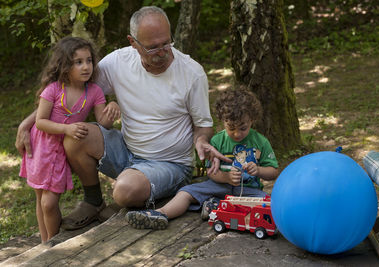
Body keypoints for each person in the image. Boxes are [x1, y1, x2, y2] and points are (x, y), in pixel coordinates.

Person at [15, 6, 229, 231]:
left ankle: (146, 186)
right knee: (76, 136)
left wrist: (202, 141)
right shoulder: (118, 62)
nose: (163, 51)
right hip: (126, 151)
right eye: (153, 47)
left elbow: (203, 126)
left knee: (124, 191)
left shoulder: (192, 73)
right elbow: (72, 92)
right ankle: (94, 202)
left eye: (167, 43)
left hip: (170, 163)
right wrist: (27, 123)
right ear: (133, 42)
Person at [125, 88, 279, 230]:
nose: (237, 134)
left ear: (252, 119)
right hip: (219, 186)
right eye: (231, 128)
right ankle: (159, 214)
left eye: (243, 128)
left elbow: (273, 172)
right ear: (223, 121)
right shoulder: (217, 141)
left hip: (249, 192)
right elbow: (210, 172)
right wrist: (225, 177)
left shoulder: (260, 142)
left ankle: (213, 206)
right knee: (185, 192)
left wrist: (258, 170)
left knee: (271, 204)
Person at [19, 36, 120, 242]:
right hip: (44, 147)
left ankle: (51, 244)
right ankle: (46, 243)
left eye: (89, 60)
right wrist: (66, 128)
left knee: (48, 202)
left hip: (63, 148)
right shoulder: (54, 89)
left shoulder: (94, 91)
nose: (86, 67)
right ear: (65, 65)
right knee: (41, 199)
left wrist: (112, 110)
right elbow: (40, 122)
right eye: (78, 62)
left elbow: (102, 122)